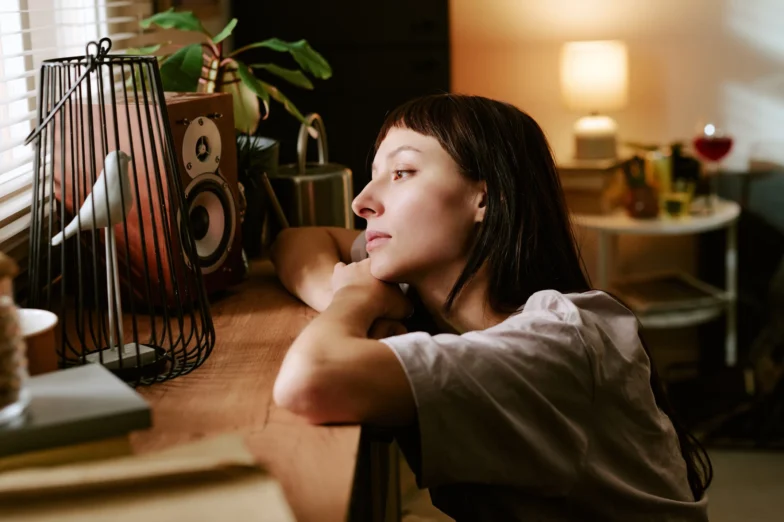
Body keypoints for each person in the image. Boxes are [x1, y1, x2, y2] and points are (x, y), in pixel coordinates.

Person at [270, 94, 712, 521]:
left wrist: (355, 299)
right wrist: (363, 298)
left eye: (402, 172)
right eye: (374, 174)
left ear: (485, 198)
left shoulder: (560, 339)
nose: (361, 201)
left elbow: (309, 381)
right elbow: (298, 243)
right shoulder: (431, 298)